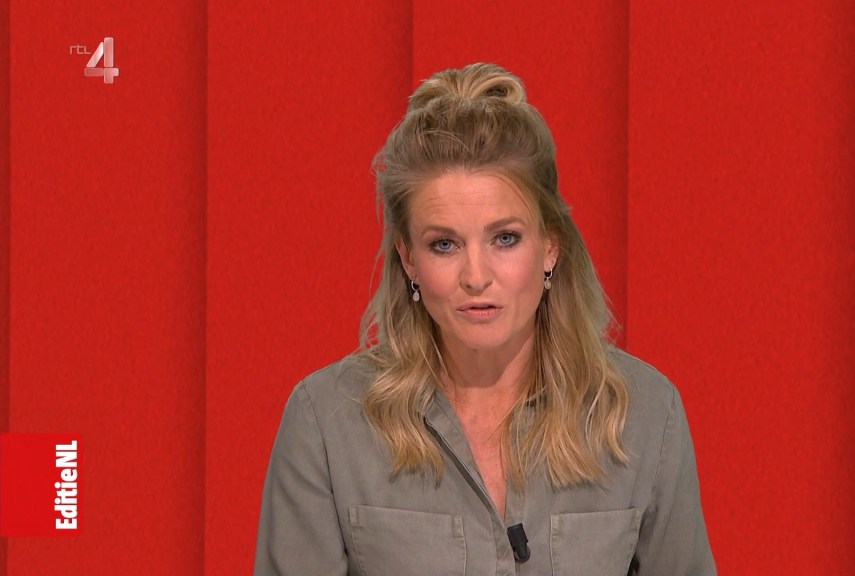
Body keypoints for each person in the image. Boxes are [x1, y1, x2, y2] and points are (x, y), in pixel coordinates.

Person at [254, 62, 716, 576]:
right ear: (408, 258)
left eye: (505, 239)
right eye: (444, 244)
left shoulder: (645, 415)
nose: (476, 276)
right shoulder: (326, 422)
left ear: (550, 245)